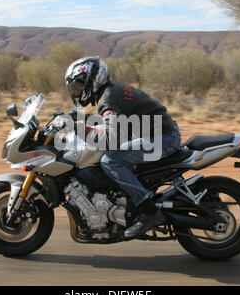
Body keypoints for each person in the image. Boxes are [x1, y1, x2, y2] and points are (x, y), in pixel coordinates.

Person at [65, 56, 181, 238]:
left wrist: (78, 128)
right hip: (157, 134)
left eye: (79, 84)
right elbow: (116, 122)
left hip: (163, 138)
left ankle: (148, 211)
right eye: (75, 86)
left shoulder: (108, 99)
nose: (77, 90)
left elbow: (111, 138)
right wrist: (82, 120)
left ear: (93, 79)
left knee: (111, 160)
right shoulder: (110, 92)